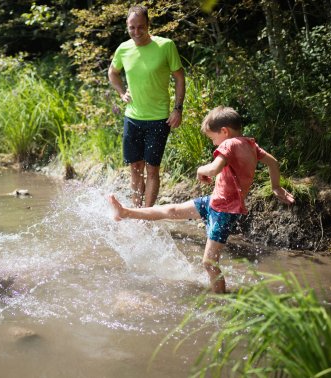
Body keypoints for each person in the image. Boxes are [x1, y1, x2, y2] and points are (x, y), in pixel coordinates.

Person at [107, 106, 295, 293]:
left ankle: (221, 299)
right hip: (214, 201)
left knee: (209, 263)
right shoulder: (251, 145)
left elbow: (213, 169)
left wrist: (200, 170)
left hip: (224, 212)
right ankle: (125, 212)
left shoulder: (229, 144)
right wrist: (276, 187)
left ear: (224, 131)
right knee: (171, 210)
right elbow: (273, 162)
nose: (214, 144)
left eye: (213, 138)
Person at [108, 4, 186, 208]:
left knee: (152, 169)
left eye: (140, 27)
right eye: (132, 27)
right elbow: (112, 72)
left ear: (148, 25)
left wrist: (178, 108)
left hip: (159, 119)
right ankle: (135, 211)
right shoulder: (124, 48)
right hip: (132, 118)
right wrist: (121, 92)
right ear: (127, 26)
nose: (136, 32)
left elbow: (179, 77)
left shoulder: (165, 46)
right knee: (135, 167)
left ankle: (148, 215)